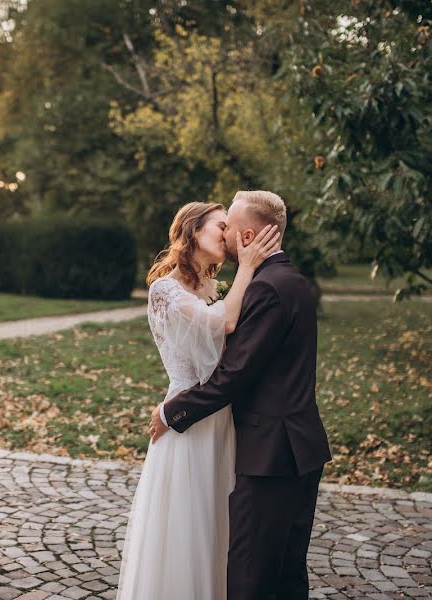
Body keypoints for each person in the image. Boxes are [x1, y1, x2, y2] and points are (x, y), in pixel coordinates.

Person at [149, 190, 332, 600]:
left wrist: (172, 412)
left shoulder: (266, 287)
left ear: (248, 236)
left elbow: (234, 375)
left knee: (252, 575)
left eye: (230, 227)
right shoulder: (289, 280)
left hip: (272, 452)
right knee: (285, 572)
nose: (226, 234)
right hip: (291, 445)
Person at [117, 199, 281, 600]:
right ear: (192, 232)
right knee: (187, 527)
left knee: (218, 523)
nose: (226, 235)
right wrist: (247, 266)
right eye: (218, 226)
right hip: (187, 421)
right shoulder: (164, 290)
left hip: (220, 417)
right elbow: (224, 323)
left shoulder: (211, 289)